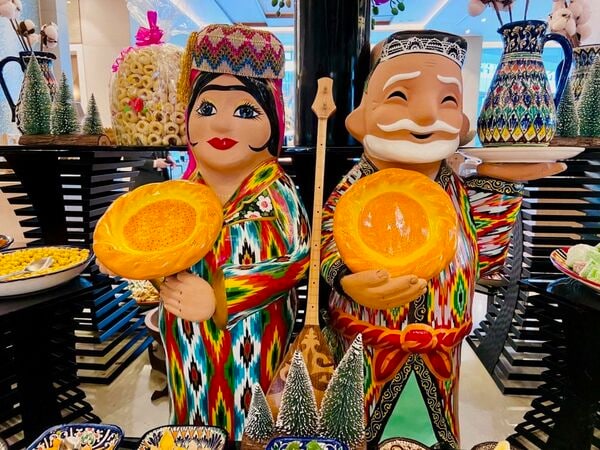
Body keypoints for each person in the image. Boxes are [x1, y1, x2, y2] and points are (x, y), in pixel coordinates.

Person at [320, 30, 565, 448]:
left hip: (442, 349)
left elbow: (487, 256)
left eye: (448, 100)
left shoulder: (456, 191)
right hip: (369, 344)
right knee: (363, 429)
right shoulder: (356, 187)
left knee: (435, 431)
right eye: (400, 96)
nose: (425, 115)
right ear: (361, 117)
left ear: (464, 125)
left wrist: (498, 182)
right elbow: (329, 238)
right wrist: (344, 277)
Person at [158, 24, 310, 441]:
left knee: (253, 426)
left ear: (273, 119)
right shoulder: (183, 193)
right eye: (206, 108)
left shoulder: (275, 190)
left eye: (245, 112)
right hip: (188, 344)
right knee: (192, 425)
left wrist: (222, 295)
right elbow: (157, 254)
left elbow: (298, 260)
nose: (221, 124)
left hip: (256, 341)